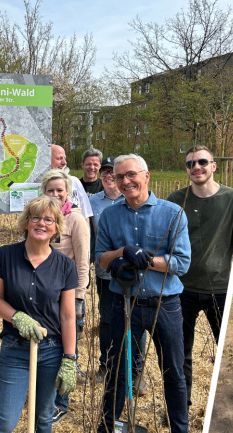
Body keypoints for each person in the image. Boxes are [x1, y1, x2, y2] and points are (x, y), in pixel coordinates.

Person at [96, 154, 191, 433]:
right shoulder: (110, 216)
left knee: (173, 372)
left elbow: (182, 263)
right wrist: (123, 252)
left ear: (146, 176)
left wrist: (147, 260)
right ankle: (107, 427)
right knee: (118, 372)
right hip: (124, 303)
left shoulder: (172, 213)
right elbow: (101, 258)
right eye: (119, 177)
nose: (126, 181)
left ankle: (179, 428)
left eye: (131, 175)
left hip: (165, 304)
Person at [0, 195, 78, 433]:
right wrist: (16, 316)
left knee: (44, 418)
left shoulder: (65, 265)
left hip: (51, 350)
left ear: (56, 227)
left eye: (49, 220)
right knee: (5, 422)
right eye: (36, 218)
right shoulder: (5, 255)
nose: (41, 224)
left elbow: (67, 317)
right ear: (26, 222)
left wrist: (70, 358)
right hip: (16, 348)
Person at [167, 145, 233, 410]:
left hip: (220, 289)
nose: (196, 167)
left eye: (201, 162)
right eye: (190, 164)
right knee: (179, 354)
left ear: (213, 166)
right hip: (181, 289)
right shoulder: (175, 200)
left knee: (226, 351)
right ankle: (181, 409)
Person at [89, 157, 148, 395]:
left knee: (136, 323)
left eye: (112, 173)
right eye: (105, 173)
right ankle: (108, 366)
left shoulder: (132, 198)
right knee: (107, 321)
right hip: (106, 273)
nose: (108, 177)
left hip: (134, 275)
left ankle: (136, 372)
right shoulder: (92, 201)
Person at [39, 170, 90, 423]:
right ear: (44, 192)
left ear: (68, 192)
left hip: (67, 297)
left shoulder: (75, 221)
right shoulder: (40, 218)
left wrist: (78, 297)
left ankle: (61, 402)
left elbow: (83, 261)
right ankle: (44, 395)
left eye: (60, 190)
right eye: (51, 190)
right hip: (42, 297)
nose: (56, 194)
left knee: (66, 348)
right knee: (47, 346)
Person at [50, 144, 92, 219]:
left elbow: (86, 215)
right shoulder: (38, 185)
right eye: (59, 158)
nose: (64, 163)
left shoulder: (74, 181)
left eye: (64, 158)